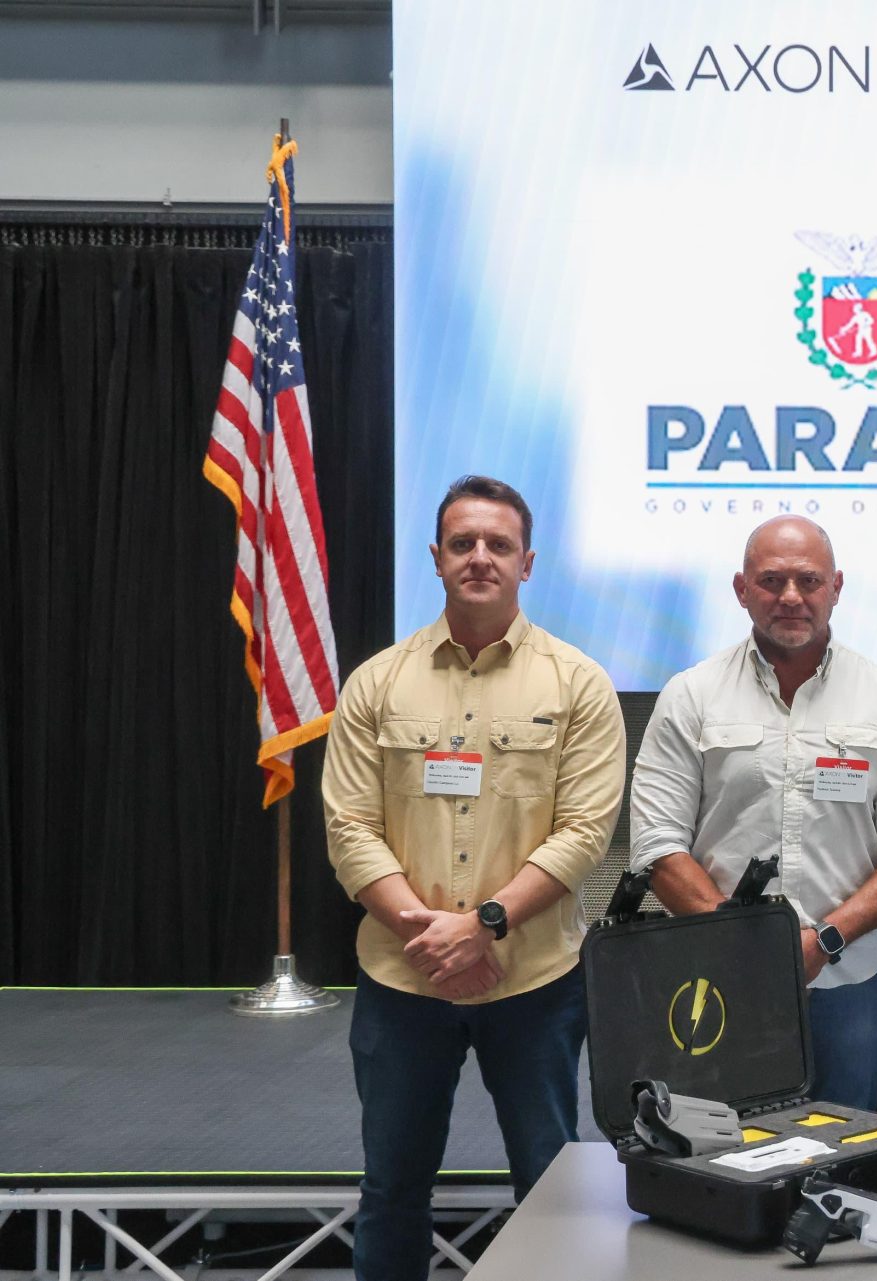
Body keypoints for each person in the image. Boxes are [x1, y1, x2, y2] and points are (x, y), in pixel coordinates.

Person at [322, 475, 626, 1281]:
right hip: (404, 979)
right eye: (463, 543)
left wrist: (484, 924)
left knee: (551, 1187)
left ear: (528, 562)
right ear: (436, 557)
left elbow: (584, 832)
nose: (480, 557)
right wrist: (432, 938)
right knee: (392, 1188)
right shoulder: (377, 682)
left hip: (534, 982)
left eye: (498, 544)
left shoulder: (579, 683)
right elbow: (349, 829)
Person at [630, 516, 877, 1109]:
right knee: (727, 1146)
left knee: (846, 1145)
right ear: (741, 589)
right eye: (771, 581)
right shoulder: (691, 695)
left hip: (847, 976)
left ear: (836, 587)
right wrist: (745, 945)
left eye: (809, 580)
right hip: (720, 976)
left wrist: (824, 940)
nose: (791, 597)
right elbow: (658, 844)